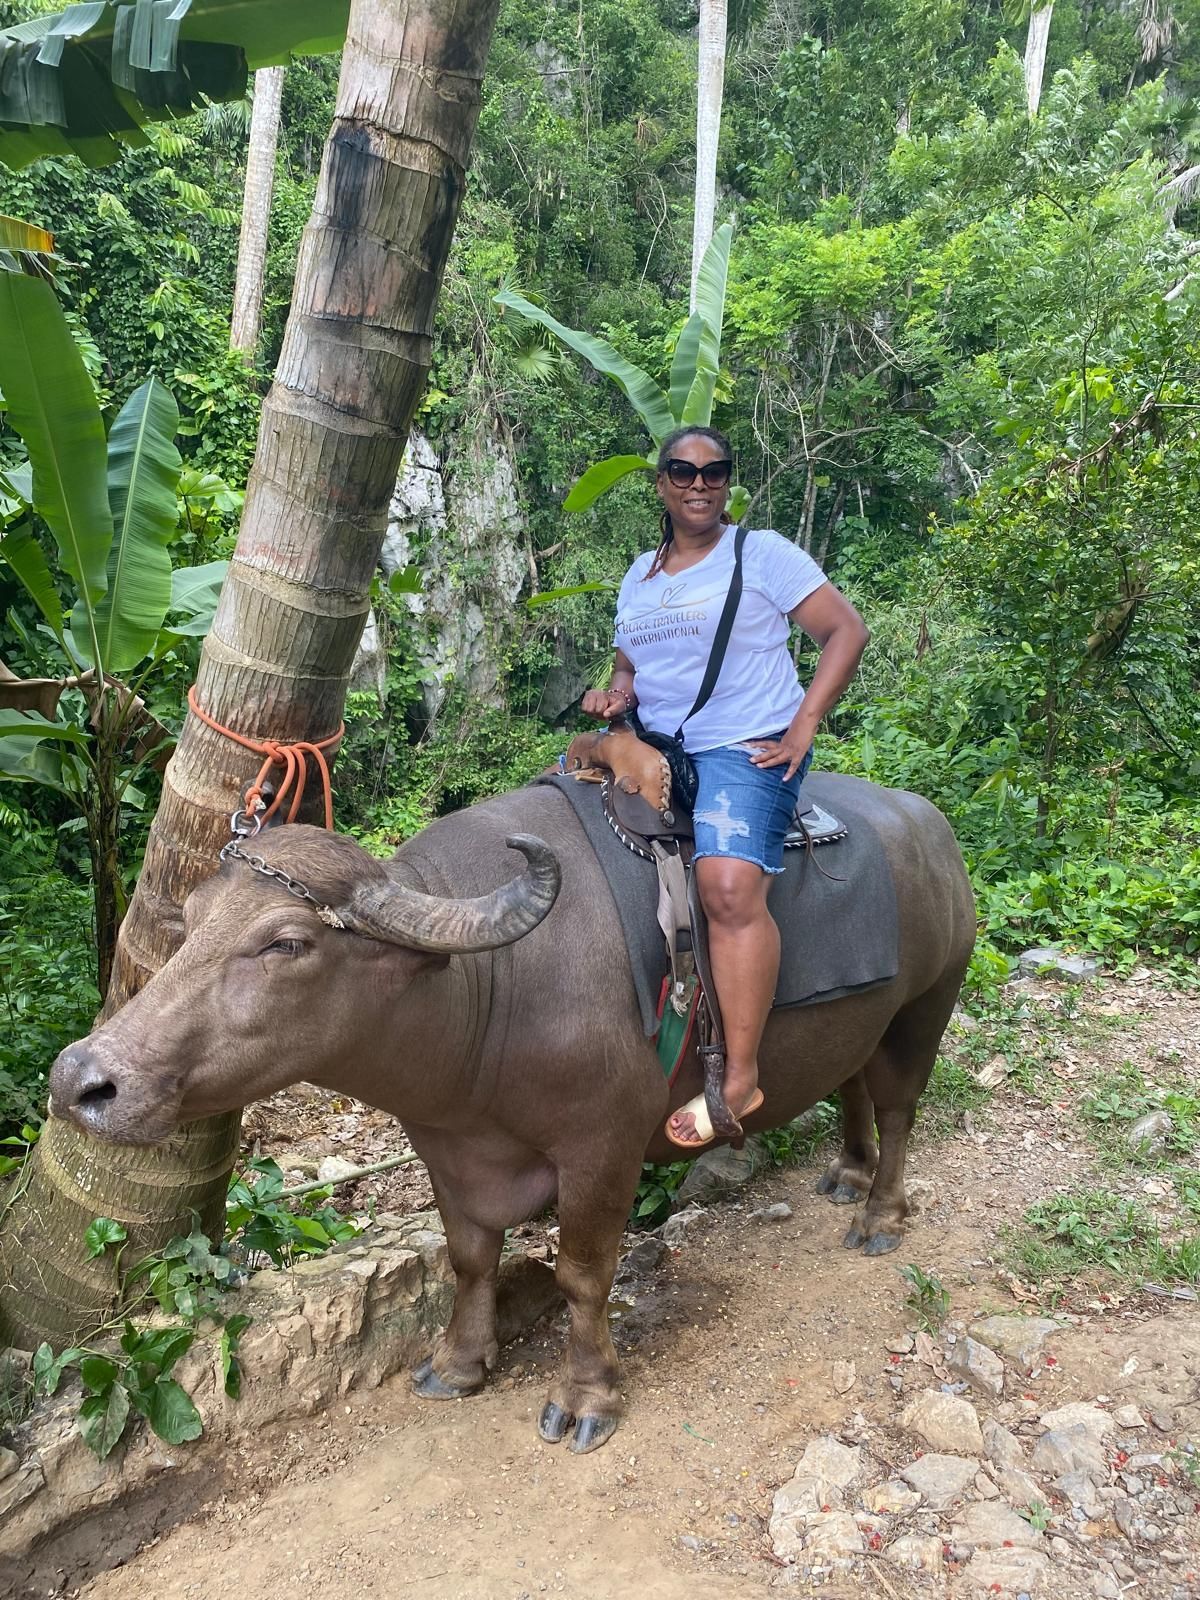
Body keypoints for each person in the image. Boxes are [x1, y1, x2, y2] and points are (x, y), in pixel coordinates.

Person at [581, 425, 869, 1148]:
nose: (699, 484)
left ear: (727, 483)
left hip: (746, 746)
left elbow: (846, 632)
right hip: (659, 747)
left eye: (715, 472)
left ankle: (739, 1076)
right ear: (662, 484)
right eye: (683, 471)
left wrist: (803, 728)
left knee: (729, 888)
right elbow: (628, 667)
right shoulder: (639, 574)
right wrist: (615, 695)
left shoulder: (761, 554)